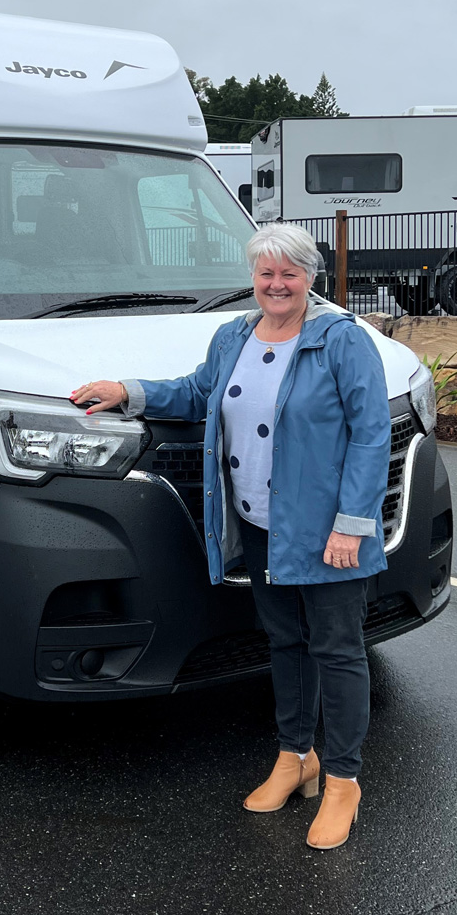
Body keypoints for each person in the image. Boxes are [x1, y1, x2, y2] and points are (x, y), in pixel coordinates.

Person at [70, 223, 390, 850]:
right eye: (266, 274)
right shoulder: (233, 337)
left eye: (289, 274)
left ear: (309, 278)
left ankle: (344, 780)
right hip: (260, 527)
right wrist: (127, 390)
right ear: (254, 278)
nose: (276, 285)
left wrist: (352, 525)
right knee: (284, 642)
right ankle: (296, 757)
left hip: (328, 534)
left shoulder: (342, 341)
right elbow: (195, 395)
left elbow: (372, 434)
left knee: (338, 649)